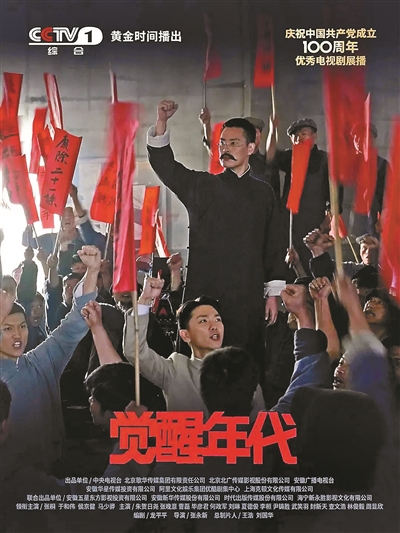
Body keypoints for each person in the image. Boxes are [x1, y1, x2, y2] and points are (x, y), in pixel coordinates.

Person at [147, 100, 285, 362]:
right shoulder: (202, 186)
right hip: (204, 292)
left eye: (234, 143)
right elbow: (167, 167)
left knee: (243, 362)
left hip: (247, 294)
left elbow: (273, 246)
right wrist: (162, 123)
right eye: (222, 143)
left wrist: (273, 295)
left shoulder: (263, 193)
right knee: (198, 364)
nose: (226, 148)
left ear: (251, 148)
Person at [0, 245, 100, 478]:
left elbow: (72, 325)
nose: (18, 335)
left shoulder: (40, 363)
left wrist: (92, 272)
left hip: (48, 477)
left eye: (22, 326)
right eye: (7, 328)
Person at [266, 116, 340, 277]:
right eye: (295, 135)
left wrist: (328, 219)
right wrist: (273, 129)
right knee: (289, 258)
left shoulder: (325, 159)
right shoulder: (290, 156)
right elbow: (270, 157)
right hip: (289, 219)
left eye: (304, 134)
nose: (299, 138)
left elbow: (335, 193)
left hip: (314, 219)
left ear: (314, 136)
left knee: (311, 257)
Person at [199, 107, 279, 191]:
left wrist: (273, 129)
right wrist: (206, 125)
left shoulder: (262, 162)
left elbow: (270, 153)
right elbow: (212, 144)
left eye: (255, 132)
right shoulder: (231, 158)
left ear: (260, 136)